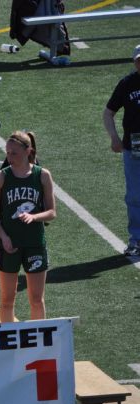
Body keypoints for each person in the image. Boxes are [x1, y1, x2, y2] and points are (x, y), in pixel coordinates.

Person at [0, 131, 56, 323]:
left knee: (36, 299)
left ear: (28, 151)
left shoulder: (42, 175)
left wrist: (34, 217)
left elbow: (52, 212)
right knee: (7, 299)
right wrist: (4, 237)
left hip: (35, 243)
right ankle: (9, 340)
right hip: (9, 244)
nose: (9, 157)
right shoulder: (0, 177)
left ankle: (39, 340)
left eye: (14, 153)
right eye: (8, 153)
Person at [103, 44, 140, 257]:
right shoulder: (127, 83)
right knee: (135, 195)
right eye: (139, 60)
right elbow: (108, 113)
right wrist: (114, 138)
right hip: (133, 146)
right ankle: (136, 239)